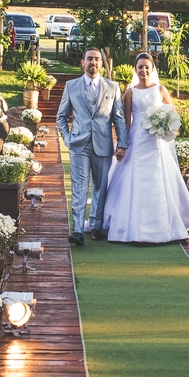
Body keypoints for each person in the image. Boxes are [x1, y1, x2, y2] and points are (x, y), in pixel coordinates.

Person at [102, 54, 189, 243]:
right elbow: (126, 122)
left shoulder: (160, 89)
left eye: (147, 67)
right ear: (135, 69)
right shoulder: (130, 92)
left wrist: (165, 126)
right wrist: (122, 145)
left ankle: (164, 225)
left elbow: (172, 113)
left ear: (152, 69)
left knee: (159, 178)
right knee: (130, 178)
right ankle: (129, 224)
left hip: (155, 141)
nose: (143, 70)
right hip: (136, 139)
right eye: (140, 67)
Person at [56, 48, 128, 245]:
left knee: (100, 187)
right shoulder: (71, 86)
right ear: (82, 62)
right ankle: (78, 230)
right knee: (79, 188)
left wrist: (122, 143)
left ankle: (96, 226)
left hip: (103, 144)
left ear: (102, 64)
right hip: (78, 145)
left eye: (97, 59)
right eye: (89, 59)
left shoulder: (112, 87)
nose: (93, 62)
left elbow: (119, 118)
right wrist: (68, 139)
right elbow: (61, 117)